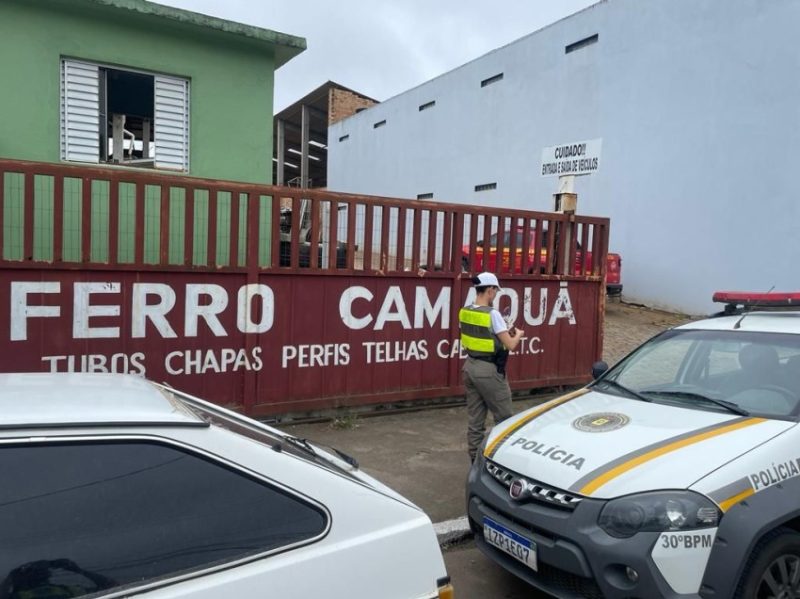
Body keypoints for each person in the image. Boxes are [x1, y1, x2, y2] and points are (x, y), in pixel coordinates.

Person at [459, 272, 525, 462]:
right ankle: (503, 462)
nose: (495, 294)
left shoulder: (465, 311)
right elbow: (511, 344)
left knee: (475, 421)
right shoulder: (493, 314)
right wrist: (518, 334)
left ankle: (475, 461)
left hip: (469, 367)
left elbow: (478, 337)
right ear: (489, 290)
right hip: (489, 371)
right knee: (505, 420)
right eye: (495, 291)